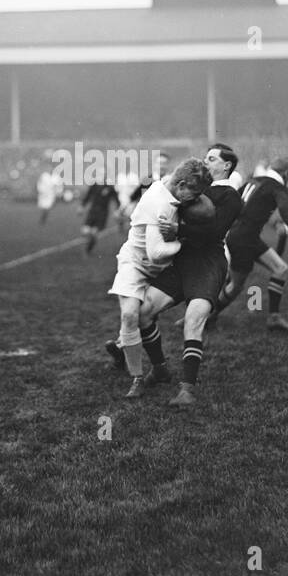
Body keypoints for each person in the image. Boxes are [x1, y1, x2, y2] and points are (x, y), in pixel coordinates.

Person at [109, 143, 243, 407]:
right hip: (180, 260)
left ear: (226, 166)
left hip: (207, 263)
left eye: (212, 159)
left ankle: (187, 390)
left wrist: (178, 229)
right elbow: (164, 190)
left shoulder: (230, 196)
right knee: (144, 311)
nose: (206, 162)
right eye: (205, 158)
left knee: (193, 319)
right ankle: (159, 369)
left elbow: (214, 232)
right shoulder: (196, 186)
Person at [107, 158, 213, 399]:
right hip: (136, 262)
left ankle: (151, 364)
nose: (195, 199)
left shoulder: (169, 186)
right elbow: (155, 254)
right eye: (194, 193)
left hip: (159, 266)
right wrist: (181, 242)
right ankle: (137, 377)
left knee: (144, 314)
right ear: (182, 184)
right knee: (130, 315)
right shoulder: (159, 202)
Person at [210, 157, 288, 332]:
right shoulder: (277, 187)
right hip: (244, 239)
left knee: (280, 268)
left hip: (244, 236)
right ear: (286, 172)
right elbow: (286, 208)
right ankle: (205, 316)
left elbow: (237, 202)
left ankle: (274, 317)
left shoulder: (254, 180)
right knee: (236, 285)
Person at [80, 180, 118, 254]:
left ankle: (89, 248)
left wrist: (117, 210)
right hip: (92, 212)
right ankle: (89, 244)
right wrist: (82, 206)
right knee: (85, 231)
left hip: (102, 213)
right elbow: (88, 195)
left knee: (94, 232)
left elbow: (116, 199)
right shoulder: (94, 185)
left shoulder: (110, 187)